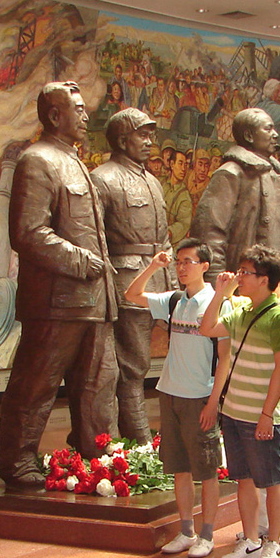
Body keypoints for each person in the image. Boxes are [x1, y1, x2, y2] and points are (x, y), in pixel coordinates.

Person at [0, 81, 119, 489]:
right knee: (37, 384)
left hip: (93, 300)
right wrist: (81, 262)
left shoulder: (74, 160)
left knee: (98, 384)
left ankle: (96, 459)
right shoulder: (38, 160)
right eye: (77, 109)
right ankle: (18, 461)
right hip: (56, 301)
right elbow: (28, 233)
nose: (85, 116)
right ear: (54, 115)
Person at [127, 240, 230, 558]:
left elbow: (225, 358)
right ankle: (186, 531)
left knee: (207, 470)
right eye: (179, 262)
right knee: (179, 468)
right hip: (170, 392)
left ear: (204, 266)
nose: (182, 267)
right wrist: (153, 266)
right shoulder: (174, 300)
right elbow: (132, 295)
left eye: (189, 261)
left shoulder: (218, 302)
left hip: (199, 396)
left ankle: (207, 534)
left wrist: (213, 402)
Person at [200, 245, 280, 558]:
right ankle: (251, 540)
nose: (239, 277)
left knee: (271, 480)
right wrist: (220, 293)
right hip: (233, 411)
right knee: (243, 478)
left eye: (246, 273)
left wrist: (268, 415)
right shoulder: (241, 312)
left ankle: (273, 543)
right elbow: (207, 328)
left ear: (265, 279)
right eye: (240, 271)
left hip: (260, 415)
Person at [91, 108, 175, 444]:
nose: (149, 141)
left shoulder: (152, 181)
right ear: (123, 140)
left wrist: (172, 284)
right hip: (126, 280)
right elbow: (95, 238)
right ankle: (136, 437)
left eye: (150, 134)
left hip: (157, 280)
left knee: (143, 362)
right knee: (132, 364)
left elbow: (164, 238)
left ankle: (138, 436)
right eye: (142, 134)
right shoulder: (103, 179)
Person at [191, 108, 280, 282]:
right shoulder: (231, 173)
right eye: (268, 129)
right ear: (248, 135)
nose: (275, 134)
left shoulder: (278, 174)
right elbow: (210, 234)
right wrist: (215, 286)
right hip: (245, 283)